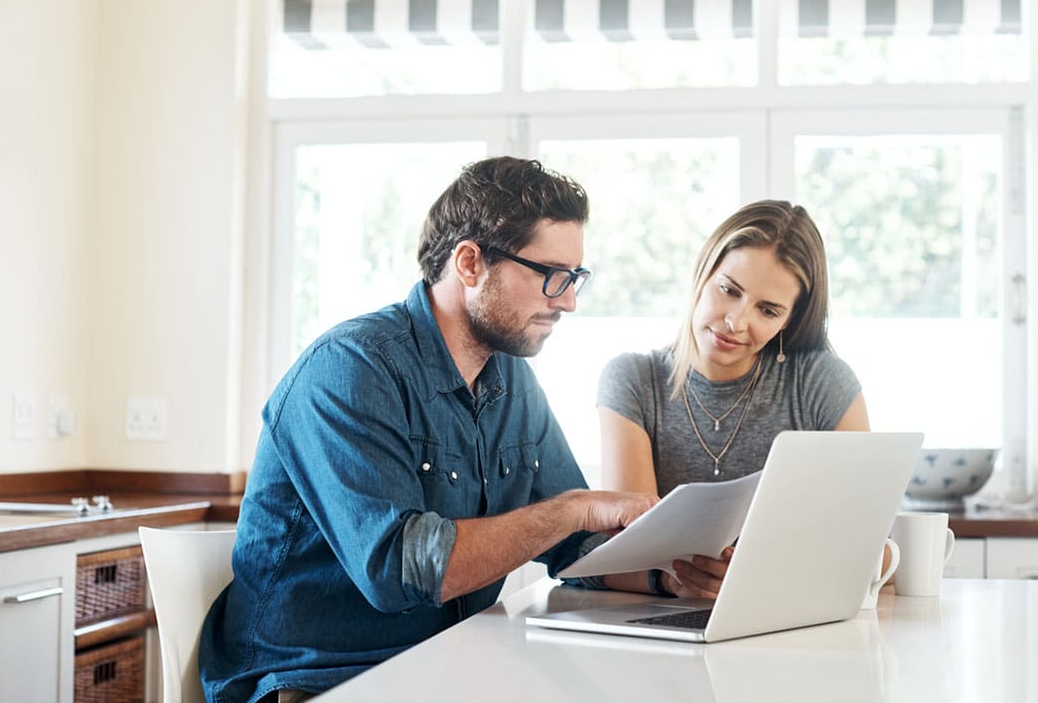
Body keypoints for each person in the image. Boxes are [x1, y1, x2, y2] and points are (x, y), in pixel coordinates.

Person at [199, 156, 677, 702]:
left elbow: (575, 544)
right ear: (469, 263)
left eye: (575, 278)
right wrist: (574, 507)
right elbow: (400, 569)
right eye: (550, 276)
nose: (567, 300)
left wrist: (667, 578)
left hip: (448, 665)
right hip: (320, 678)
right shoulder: (349, 369)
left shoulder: (511, 379)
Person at [597, 200, 870, 597]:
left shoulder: (821, 383)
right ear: (703, 272)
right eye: (729, 290)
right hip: (665, 626)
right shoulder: (634, 381)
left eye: (768, 310)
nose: (736, 322)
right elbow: (631, 550)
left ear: (790, 321)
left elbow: (869, 545)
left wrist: (759, 575)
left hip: (786, 618)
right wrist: (677, 582)